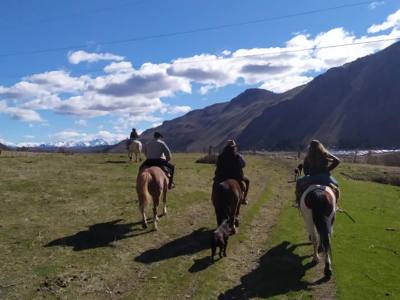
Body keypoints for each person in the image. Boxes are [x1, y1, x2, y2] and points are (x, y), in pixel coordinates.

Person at [295, 140, 340, 205]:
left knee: (299, 181)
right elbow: (337, 161)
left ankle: (298, 202)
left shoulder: (308, 156)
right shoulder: (325, 153)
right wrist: (327, 170)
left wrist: (309, 174)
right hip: (325, 178)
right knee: (336, 186)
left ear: (310, 147)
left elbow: (305, 171)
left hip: (312, 178)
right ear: (320, 146)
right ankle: (335, 204)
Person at [213, 140, 250, 204]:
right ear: (234, 147)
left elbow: (217, 165)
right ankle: (244, 199)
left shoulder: (221, 156)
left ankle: (213, 197)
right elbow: (243, 164)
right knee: (247, 181)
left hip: (222, 176)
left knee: (215, 185)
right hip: (236, 176)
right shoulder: (238, 156)